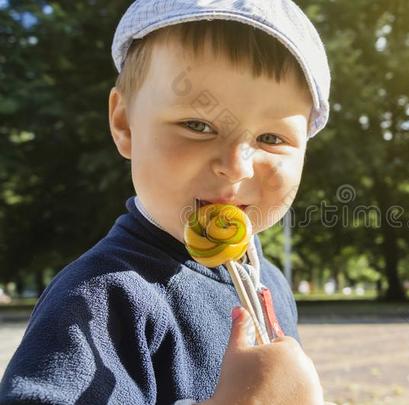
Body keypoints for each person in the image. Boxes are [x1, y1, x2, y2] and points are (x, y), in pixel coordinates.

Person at [0, 0, 331, 403]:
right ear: (124, 124)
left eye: (271, 139)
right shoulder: (101, 299)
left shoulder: (270, 282)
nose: (236, 167)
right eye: (198, 125)